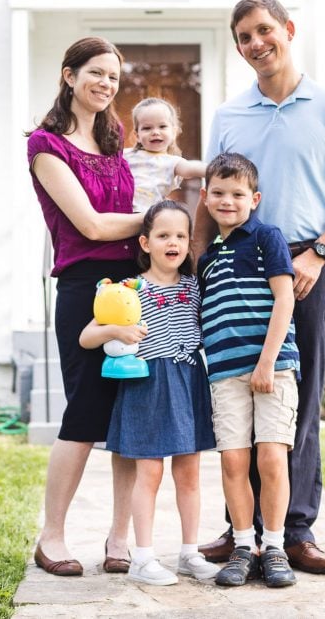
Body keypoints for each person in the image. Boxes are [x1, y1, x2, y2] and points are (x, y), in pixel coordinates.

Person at [197, 0, 325, 575]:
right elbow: (210, 199)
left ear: (288, 29)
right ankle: (239, 531)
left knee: (295, 405)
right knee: (237, 399)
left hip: (306, 269)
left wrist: (319, 253)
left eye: (264, 30)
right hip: (233, 272)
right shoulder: (229, 116)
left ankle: (294, 533)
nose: (255, 44)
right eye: (244, 36)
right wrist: (198, 271)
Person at [26, 36, 144, 577]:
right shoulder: (47, 146)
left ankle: (119, 538)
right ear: (69, 76)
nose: (105, 84)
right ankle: (51, 537)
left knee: (129, 417)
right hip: (83, 290)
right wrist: (162, 223)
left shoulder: (115, 140)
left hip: (134, 286)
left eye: (114, 78)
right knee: (85, 413)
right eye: (95, 73)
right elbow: (91, 225)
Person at [79, 200, 218, 586]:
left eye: (180, 236)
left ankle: (190, 553)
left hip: (189, 381)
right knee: (150, 473)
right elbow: (87, 337)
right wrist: (116, 331)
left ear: (190, 243)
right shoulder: (129, 292)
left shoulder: (195, 287)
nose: (172, 242)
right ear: (144, 242)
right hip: (148, 385)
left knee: (189, 473)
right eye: (163, 235)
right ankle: (142, 557)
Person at [198, 153, 299, 589]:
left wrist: (267, 361)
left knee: (272, 457)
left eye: (237, 194)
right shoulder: (205, 258)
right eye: (218, 193)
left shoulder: (266, 237)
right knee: (234, 459)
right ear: (204, 198)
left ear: (254, 199)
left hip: (271, 369)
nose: (227, 201)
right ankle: (243, 545)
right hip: (225, 374)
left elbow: (285, 298)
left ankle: (274, 546)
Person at [125, 97, 206, 213]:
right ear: (137, 135)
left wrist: (218, 169)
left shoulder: (172, 162)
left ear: (173, 132)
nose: (155, 132)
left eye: (162, 126)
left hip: (148, 219)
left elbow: (191, 168)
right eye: (147, 128)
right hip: (119, 215)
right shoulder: (126, 154)